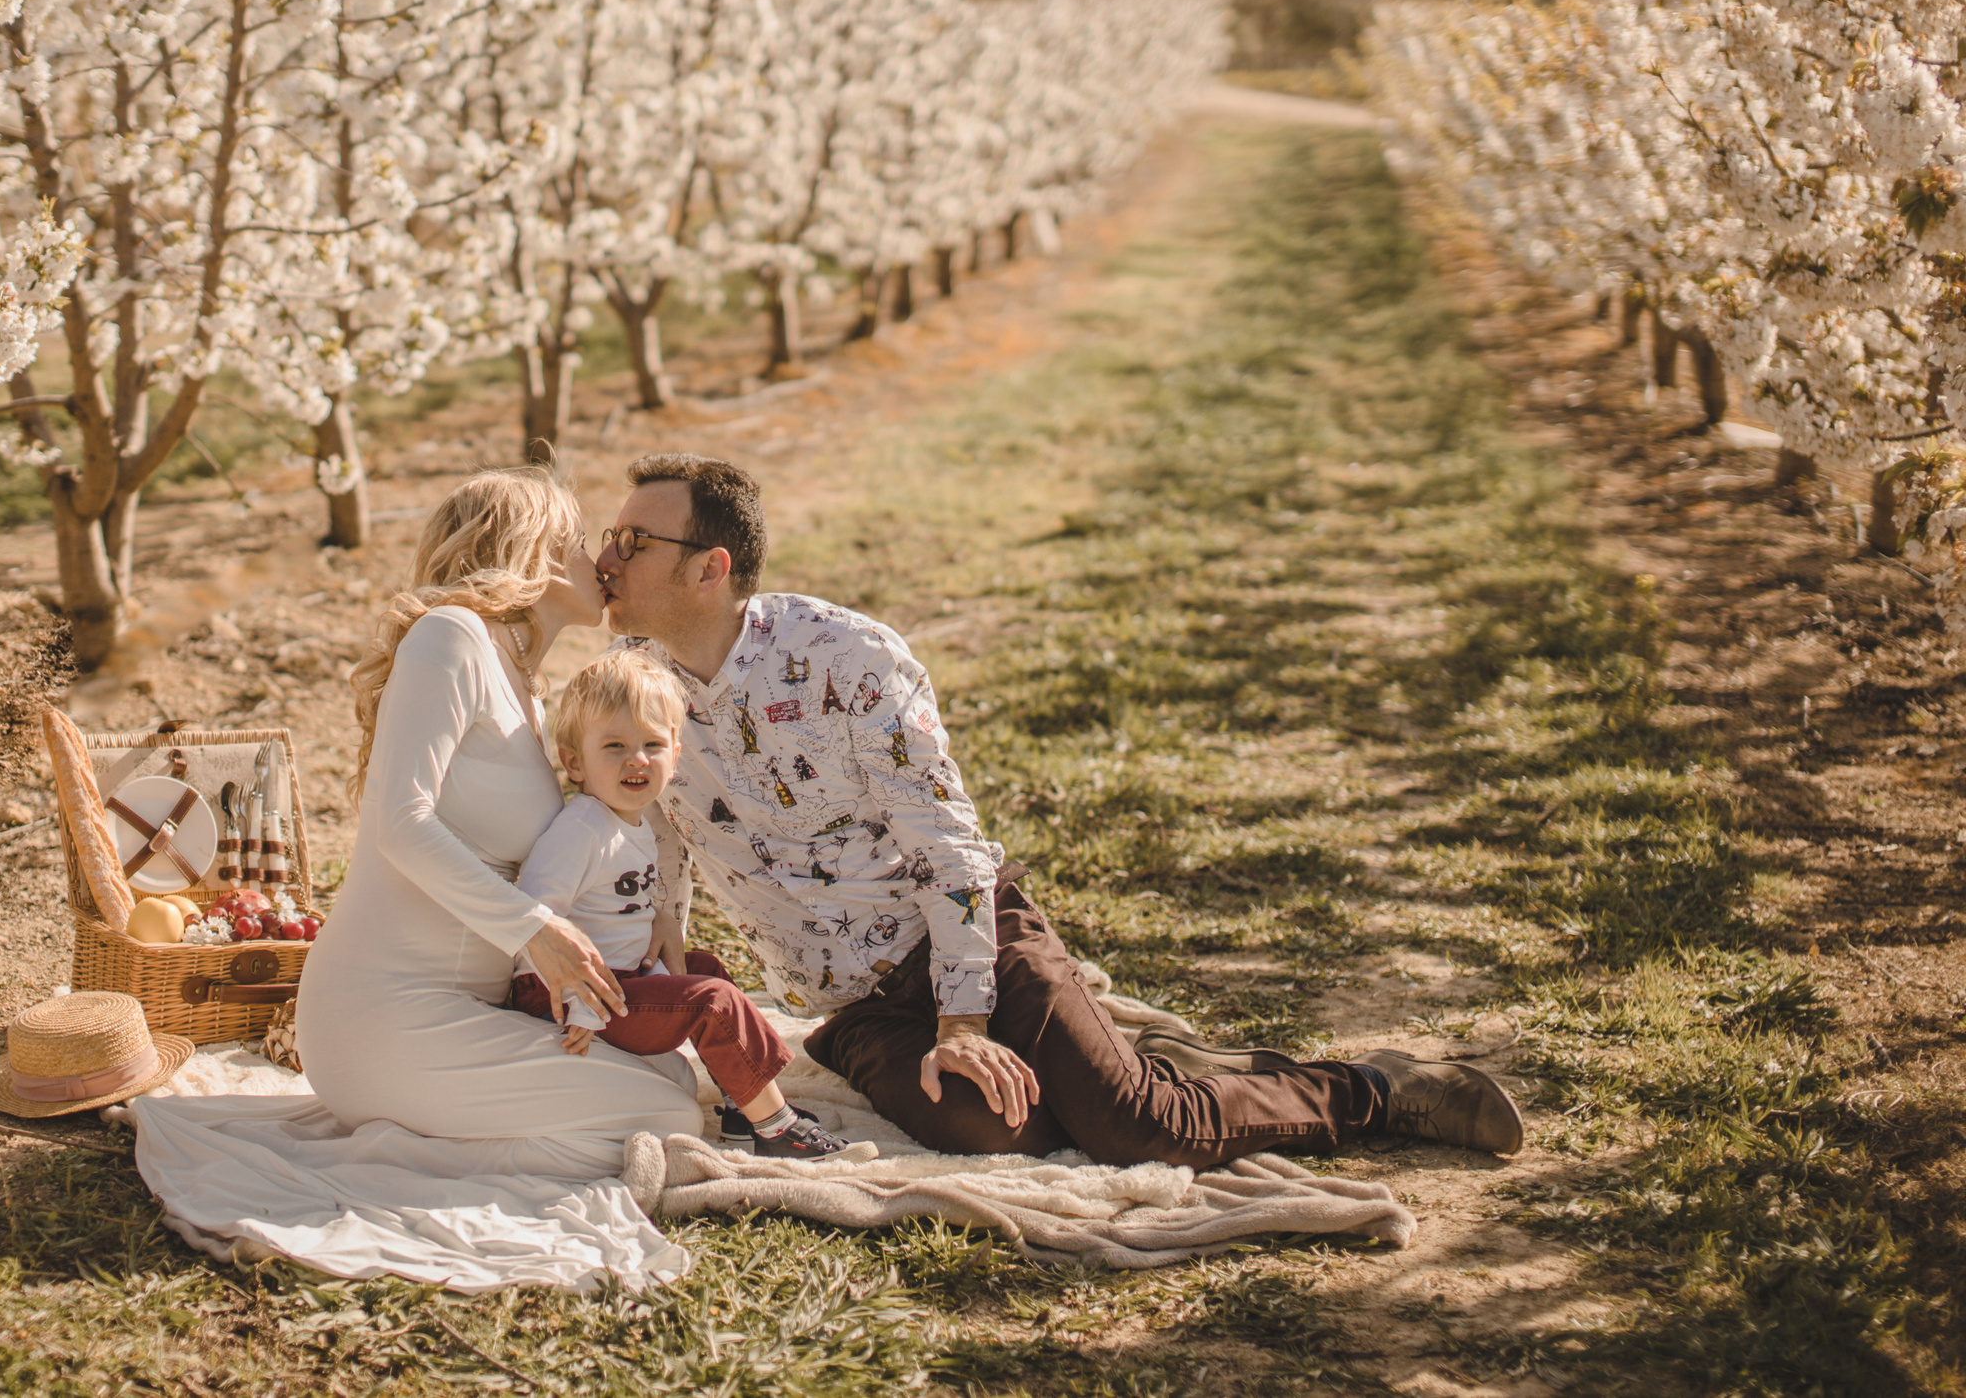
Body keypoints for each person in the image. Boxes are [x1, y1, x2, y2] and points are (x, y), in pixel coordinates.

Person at [599, 451, 1525, 1169]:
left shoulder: (845, 657)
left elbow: (948, 846)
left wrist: (964, 1020)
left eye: (635, 541)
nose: (609, 556)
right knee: (1005, 1129)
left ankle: (1374, 1089)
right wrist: (669, 941)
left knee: (1137, 1130)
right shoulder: (634, 687)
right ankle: (1151, 1057)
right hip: (852, 1007)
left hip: (966, 938)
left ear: (710, 568)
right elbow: (656, 826)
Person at [294, 467, 703, 1179]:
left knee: (672, 1084)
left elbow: (603, 826)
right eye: (580, 543)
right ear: (533, 552)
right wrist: (534, 931)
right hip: (385, 1013)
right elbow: (399, 820)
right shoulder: (449, 638)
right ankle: (416, 1152)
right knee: (670, 1119)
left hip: (477, 1006)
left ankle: (455, 1140)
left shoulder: (528, 694)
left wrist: (663, 908)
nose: (602, 562)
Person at [508, 650, 860, 1161]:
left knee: (706, 969)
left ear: (675, 755)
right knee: (711, 1003)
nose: (637, 759)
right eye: (615, 746)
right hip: (560, 994)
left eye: (653, 744)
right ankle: (777, 1128)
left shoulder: (632, 822)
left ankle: (746, 1105)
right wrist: (579, 1004)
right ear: (575, 761)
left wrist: (659, 918)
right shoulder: (581, 829)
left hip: (617, 979)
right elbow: (538, 917)